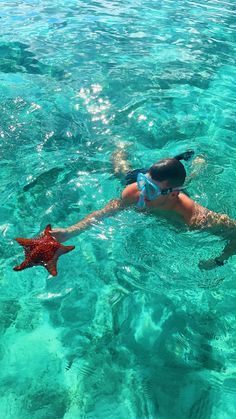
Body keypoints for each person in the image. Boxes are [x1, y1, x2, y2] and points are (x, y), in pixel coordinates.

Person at [51, 149, 236, 270]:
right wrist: (69, 232)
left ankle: (198, 165)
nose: (142, 191)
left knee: (188, 181)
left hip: (174, 188)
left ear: (172, 194)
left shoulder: (195, 217)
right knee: (121, 170)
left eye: (151, 189)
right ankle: (120, 151)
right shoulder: (134, 191)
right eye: (143, 182)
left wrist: (219, 260)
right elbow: (103, 213)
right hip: (155, 180)